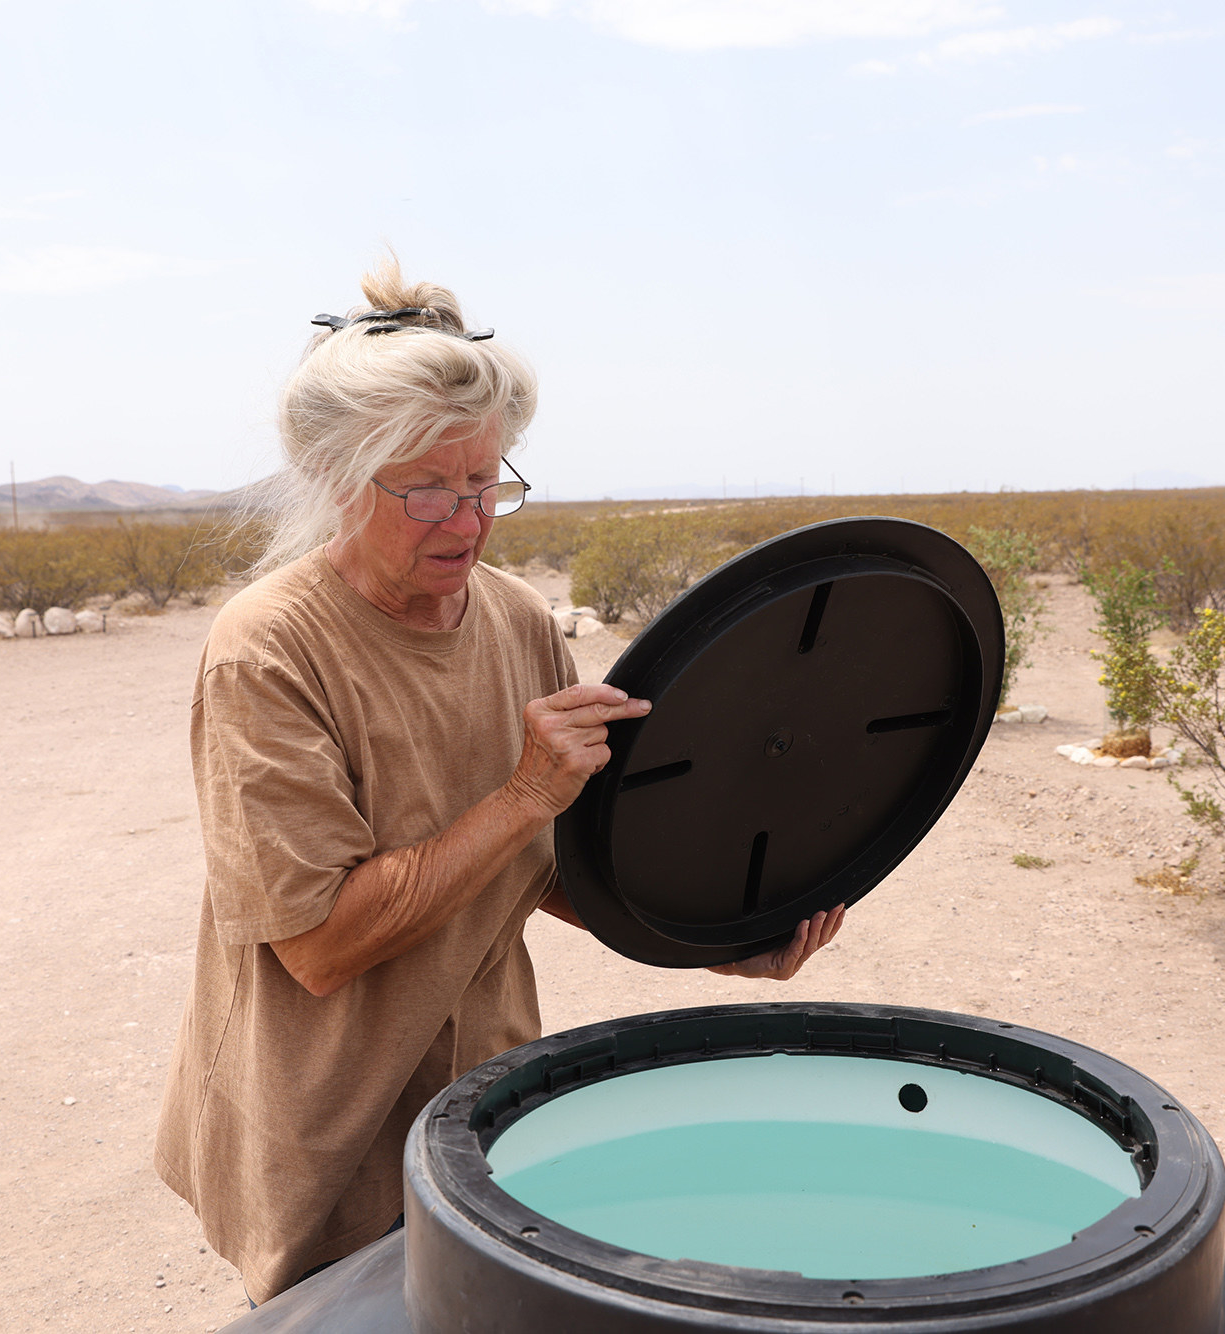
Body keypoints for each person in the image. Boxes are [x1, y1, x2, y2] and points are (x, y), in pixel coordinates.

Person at [153, 258, 844, 1305]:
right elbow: (320, 943)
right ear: (339, 478)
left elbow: (546, 864)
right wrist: (522, 792)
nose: (468, 522)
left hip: (487, 1096)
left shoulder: (515, 617)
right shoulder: (269, 651)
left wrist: (713, 943)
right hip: (331, 1116)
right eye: (427, 487)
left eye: (488, 483)